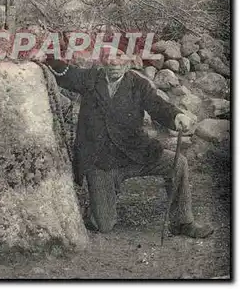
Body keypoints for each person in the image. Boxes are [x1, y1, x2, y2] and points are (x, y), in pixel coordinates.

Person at [44, 48, 214, 238]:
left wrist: (177, 116)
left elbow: (157, 105)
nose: (114, 65)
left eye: (119, 60)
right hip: (101, 162)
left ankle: (183, 222)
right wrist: (45, 56)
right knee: (104, 225)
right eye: (109, 60)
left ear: (127, 63)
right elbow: (64, 74)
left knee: (178, 163)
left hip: (136, 155)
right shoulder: (89, 79)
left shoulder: (138, 84)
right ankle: (96, 203)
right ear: (102, 63)